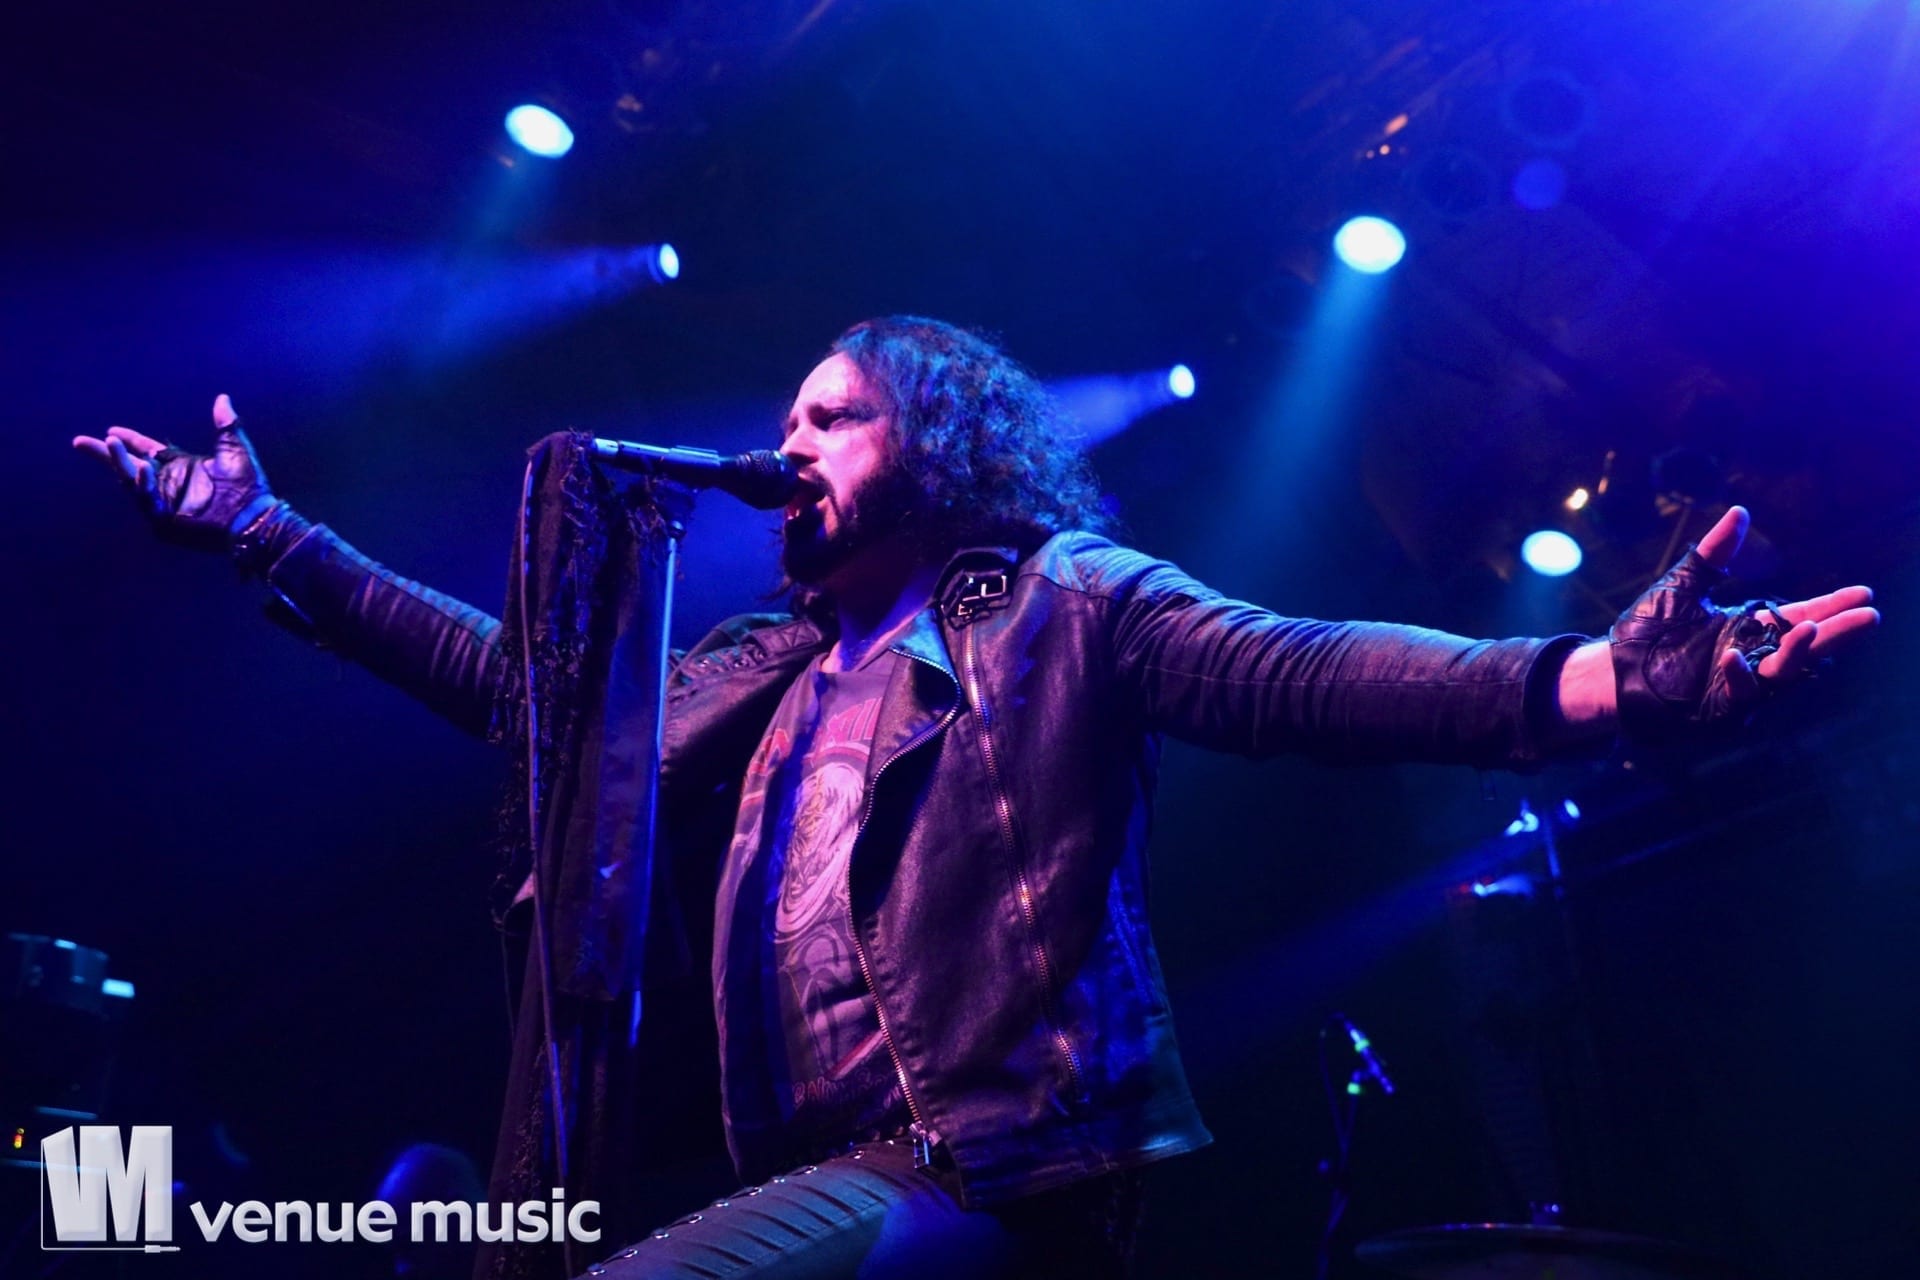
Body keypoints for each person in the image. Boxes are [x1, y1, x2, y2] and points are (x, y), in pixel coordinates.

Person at [75, 317, 1878, 1279]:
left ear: (933, 443)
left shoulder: (1061, 603)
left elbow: (1307, 672)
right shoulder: (756, 672)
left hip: (987, 1164)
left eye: (832, 417)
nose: (786, 445)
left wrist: (1600, 680)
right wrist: (271, 538)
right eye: (787, 419)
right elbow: (528, 706)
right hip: (810, 1176)